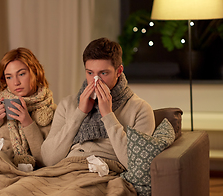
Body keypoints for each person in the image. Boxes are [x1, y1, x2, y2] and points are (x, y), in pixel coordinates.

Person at [41, 37, 155, 169]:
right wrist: (79, 113)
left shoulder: (140, 109)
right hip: (66, 170)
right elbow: (48, 159)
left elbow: (135, 165)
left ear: (119, 71)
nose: (96, 80)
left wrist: (108, 115)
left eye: (103, 73)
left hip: (105, 173)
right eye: (90, 73)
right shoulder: (68, 104)